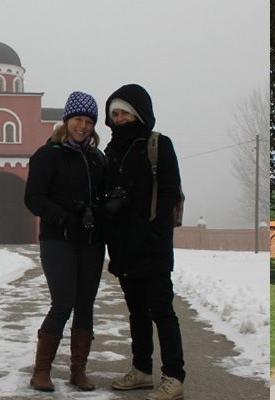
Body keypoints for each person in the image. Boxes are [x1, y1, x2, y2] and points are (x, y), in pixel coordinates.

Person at [102, 84, 185, 400]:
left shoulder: (158, 145)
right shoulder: (111, 152)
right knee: (136, 311)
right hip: (123, 248)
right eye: (115, 114)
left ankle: (174, 376)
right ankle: (142, 370)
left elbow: (169, 192)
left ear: (138, 113)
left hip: (152, 246)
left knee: (162, 310)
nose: (119, 118)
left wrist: (155, 231)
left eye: (124, 112)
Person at [24, 91, 105, 392]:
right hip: (58, 239)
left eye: (88, 121)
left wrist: (106, 207)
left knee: (85, 304)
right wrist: (65, 217)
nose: (83, 126)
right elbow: (33, 198)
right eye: (78, 119)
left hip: (92, 241)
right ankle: (41, 371)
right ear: (67, 121)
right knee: (63, 301)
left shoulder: (97, 159)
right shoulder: (48, 155)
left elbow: (104, 194)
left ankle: (78, 371)